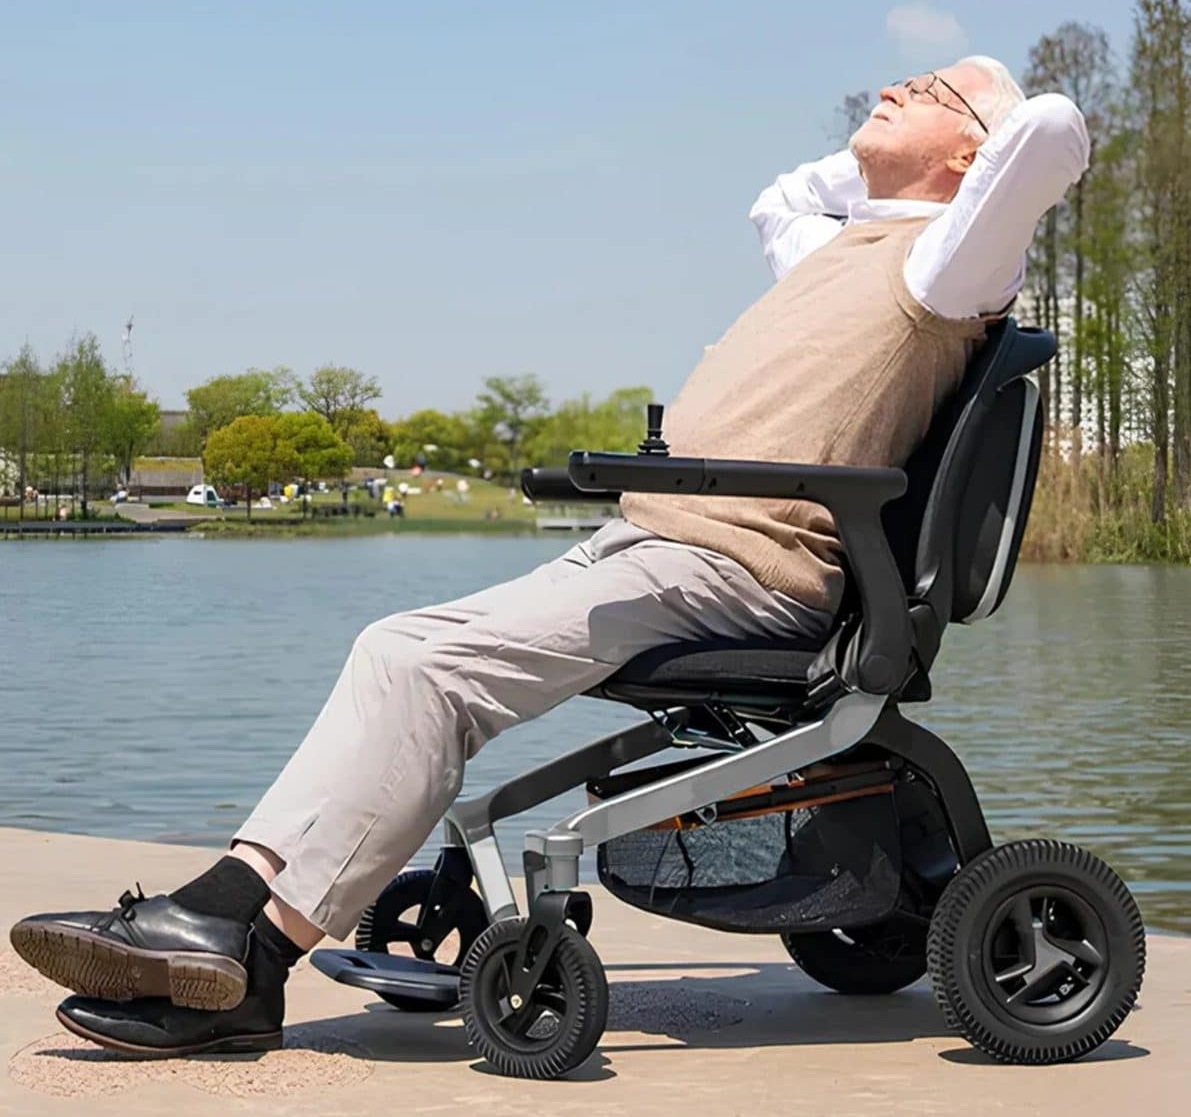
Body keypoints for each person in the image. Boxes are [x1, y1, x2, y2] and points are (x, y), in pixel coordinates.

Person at [11, 57, 1089, 1057]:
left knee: (415, 662)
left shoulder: (948, 268)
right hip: (657, 542)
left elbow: (1048, 130)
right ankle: (233, 921)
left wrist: (974, 136)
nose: (899, 81)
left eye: (935, 86)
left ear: (970, 159)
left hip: (738, 563)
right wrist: (886, 161)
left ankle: (243, 950)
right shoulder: (847, 248)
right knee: (415, 656)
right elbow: (781, 202)